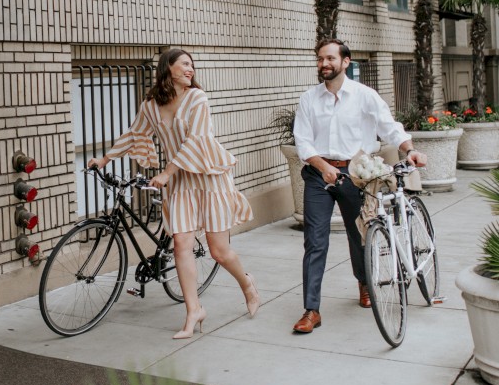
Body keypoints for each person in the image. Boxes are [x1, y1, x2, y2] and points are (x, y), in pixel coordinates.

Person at [88, 49, 259, 339]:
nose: (191, 70)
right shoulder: (151, 105)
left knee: (219, 251)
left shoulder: (197, 99)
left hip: (208, 176)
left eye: (192, 66)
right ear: (168, 68)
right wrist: (105, 159)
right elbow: (134, 133)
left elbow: (196, 141)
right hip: (180, 182)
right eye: (185, 65)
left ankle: (247, 284)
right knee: (181, 244)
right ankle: (194, 310)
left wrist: (166, 173)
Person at [292, 39, 427, 334]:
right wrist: (323, 166)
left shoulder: (364, 95)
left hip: (356, 176)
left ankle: (364, 283)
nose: (323, 64)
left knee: (360, 235)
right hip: (319, 174)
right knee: (315, 241)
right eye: (320, 59)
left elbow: (388, 126)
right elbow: (302, 139)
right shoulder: (309, 99)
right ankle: (311, 309)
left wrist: (409, 149)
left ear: (346, 62)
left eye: (329, 58)